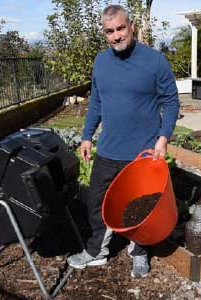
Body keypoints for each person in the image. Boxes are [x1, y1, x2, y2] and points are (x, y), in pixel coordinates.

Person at [67, 4, 179, 278]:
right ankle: (97, 251)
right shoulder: (100, 62)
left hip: (141, 152)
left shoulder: (155, 61)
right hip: (108, 149)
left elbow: (171, 101)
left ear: (131, 26)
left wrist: (163, 138)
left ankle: (139, 252)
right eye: (109, 32)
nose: (116, 36)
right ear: (104, 34)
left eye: (120, 28)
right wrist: (86, 136)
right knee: (96, 203)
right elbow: (96, 101)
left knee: (139, 208)